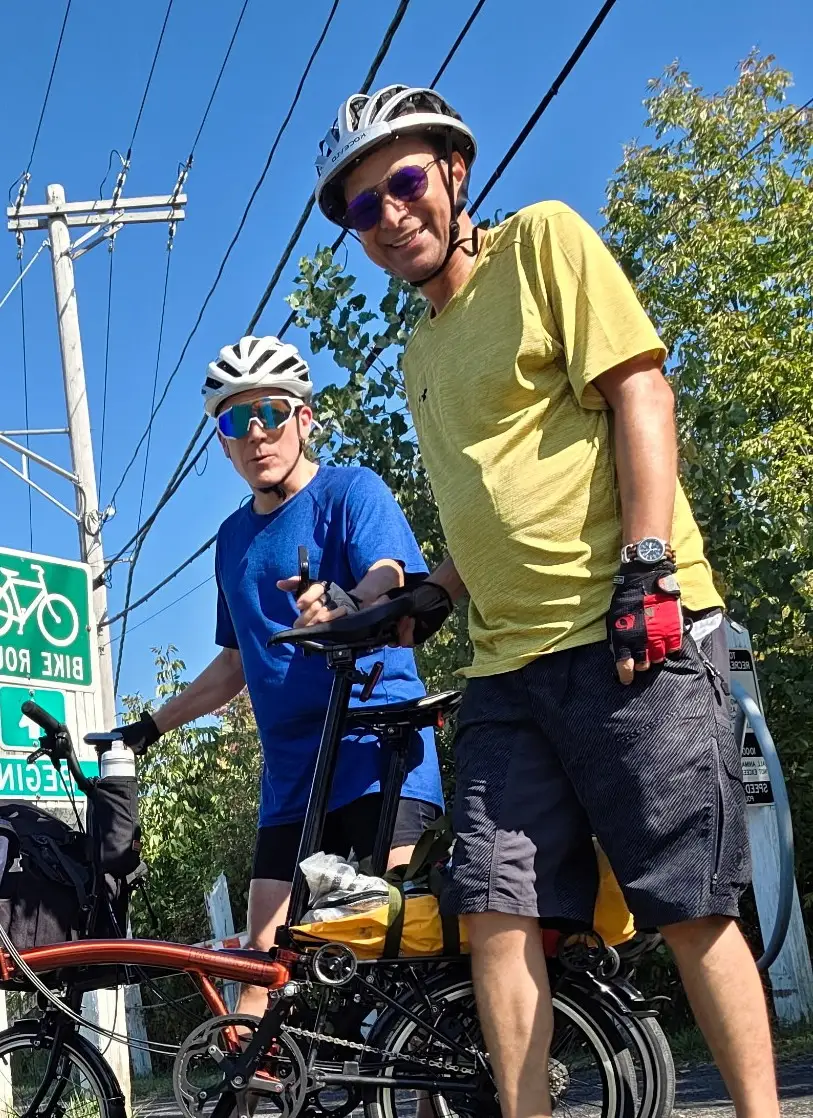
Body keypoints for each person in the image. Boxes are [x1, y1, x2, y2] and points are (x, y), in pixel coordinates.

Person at [312, 86, 778, 1118]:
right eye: (363, 207)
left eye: (404, 182)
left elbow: (640, 391)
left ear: (454, 173)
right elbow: (494, 507)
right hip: (505, 669)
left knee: (688, 903)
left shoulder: (543, 242)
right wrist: (433, 591)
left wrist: (647, 568)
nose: (390, 214)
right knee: (493, 911)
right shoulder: (419, 352)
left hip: (627, 633)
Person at [115, 334, 443, 1019]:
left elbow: (389, 576)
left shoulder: (350, 490)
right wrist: (150, 726)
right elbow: (235, 664)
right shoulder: (233, 540)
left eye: (270, 411)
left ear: (304, 417)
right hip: (293, 776)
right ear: (223, 443)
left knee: (399, 953)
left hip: (375, 754)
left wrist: (345, 601)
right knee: (261, 965)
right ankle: (255, 1078)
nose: (256, 432)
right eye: (237, 420)